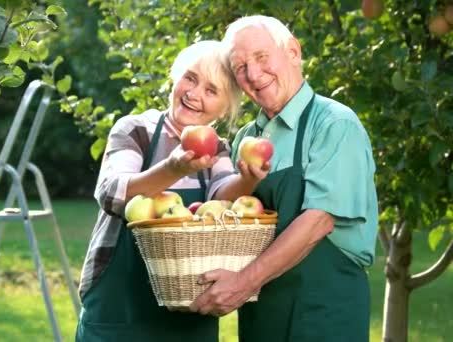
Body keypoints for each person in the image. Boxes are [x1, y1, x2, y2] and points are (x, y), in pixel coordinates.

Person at [190, 15, 379, 342]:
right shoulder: (247, 138)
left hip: (325, 310)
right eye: (240, 67)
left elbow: (319, 221)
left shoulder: (334, 123)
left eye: (262, 57)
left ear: (293, 52)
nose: (253, 74)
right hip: (262, 315)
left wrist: (244, 282)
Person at [75, 40, 264, 341]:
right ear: (175, 77)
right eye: (190, 78)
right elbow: (111, 194)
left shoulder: (216, 149)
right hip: (119, 310)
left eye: (211, 90)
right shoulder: (135, 130)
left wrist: (248, 180)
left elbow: (220, 200)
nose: (193, 94)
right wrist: (173, 170)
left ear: (225, 107)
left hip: (188, 311)